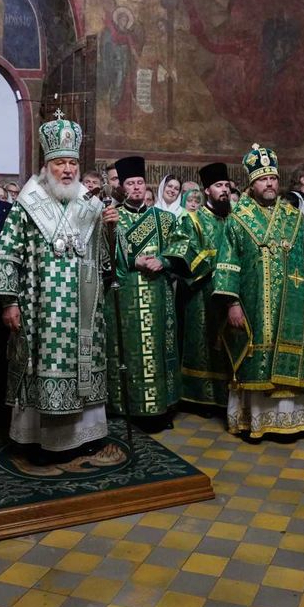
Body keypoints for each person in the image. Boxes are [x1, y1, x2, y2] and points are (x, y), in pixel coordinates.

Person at [0, 113, 122, 457]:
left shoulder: (89, 206)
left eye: (73, 163)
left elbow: (104, 262)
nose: (68, 170)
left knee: (82, 369)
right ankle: (43, 440)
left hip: (82, 311)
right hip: (40, 307)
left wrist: (110, 231)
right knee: (40, 365)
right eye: (61, 162)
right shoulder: (28, 205)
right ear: (47, 166)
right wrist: (9, 302)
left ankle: (86, 435)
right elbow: (6, 254)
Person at [214, 144, 304, 440]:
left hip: (290, 305)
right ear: (252, 184)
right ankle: (255, 421)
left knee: (289, 360)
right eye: (262, 179)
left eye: (272, 178)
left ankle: (286, 421)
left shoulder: (293, 216)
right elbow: (227, 263)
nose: (269, 184)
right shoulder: (238, 218)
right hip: (252, 304)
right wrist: (232, 303)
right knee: (253, 360)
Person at [105, 157, 190, 433]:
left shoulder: (164, 219)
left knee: (157, 349)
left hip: (158, 296)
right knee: (127, 353)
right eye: (130, 183)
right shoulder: (112, 219)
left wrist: (163, 261)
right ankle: (125, 409)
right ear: (122, 187)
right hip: (125, 295)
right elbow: (104, 257)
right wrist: (133, 261)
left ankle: (160, 410)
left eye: (140, 183)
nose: (137, 188)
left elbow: (182, 248)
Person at [179, 162, 235, 415]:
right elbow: (185, 251)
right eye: (218, 186)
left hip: (233, 295)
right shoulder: (194, 219)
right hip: (203, 295)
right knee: (203, 343)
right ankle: (199, 397)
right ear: (207, 190)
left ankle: (228, 396)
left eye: (226, 185)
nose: (223, 190)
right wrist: (218, 268)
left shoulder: (235, 219)